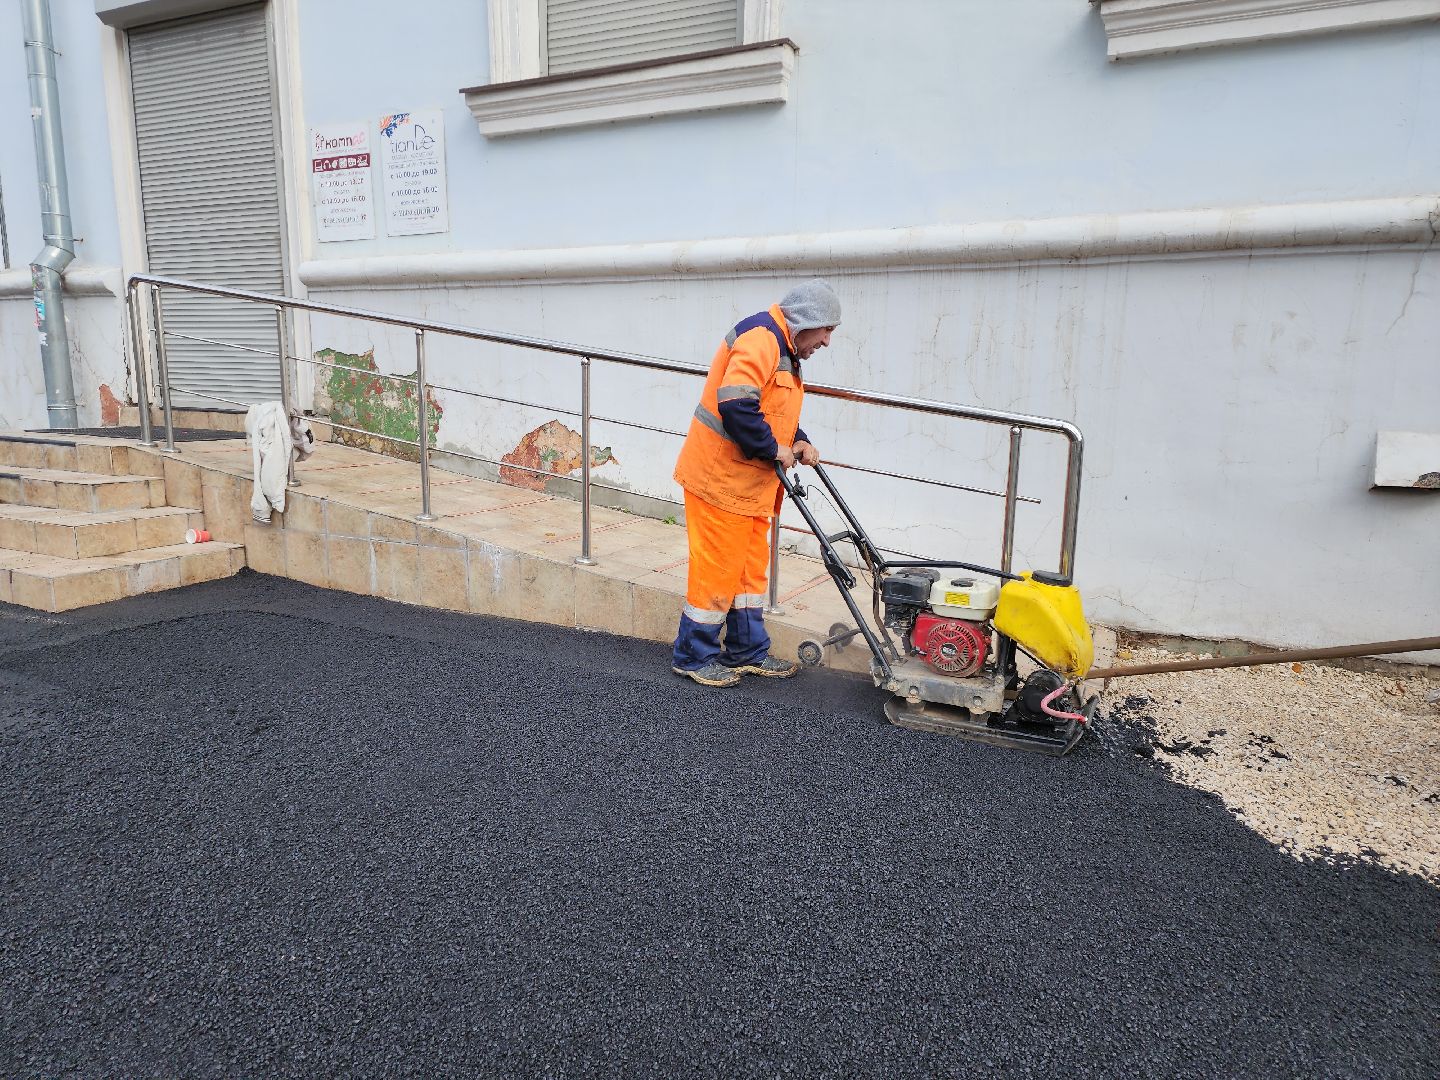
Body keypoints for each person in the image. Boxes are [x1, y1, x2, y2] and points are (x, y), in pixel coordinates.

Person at [670, 279, 842, 687]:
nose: (827, 341)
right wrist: (772, 449)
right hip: (719, 480)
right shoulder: (762, 338)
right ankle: (692, 656)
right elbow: (736, 404)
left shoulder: (784, 348)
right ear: (807, 322)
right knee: (716, 571)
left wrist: (799, 441)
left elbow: (771, 409)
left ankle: (747, 651)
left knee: (748, 573)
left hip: (749, 486)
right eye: (827, 331)